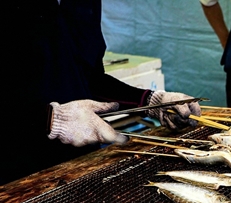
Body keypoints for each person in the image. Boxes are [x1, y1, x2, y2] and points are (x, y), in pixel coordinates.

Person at [1, 1, 201, 186]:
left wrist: (151, 101)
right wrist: (51, 119)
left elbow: (90, 80)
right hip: (16, 173)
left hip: (76, 166)